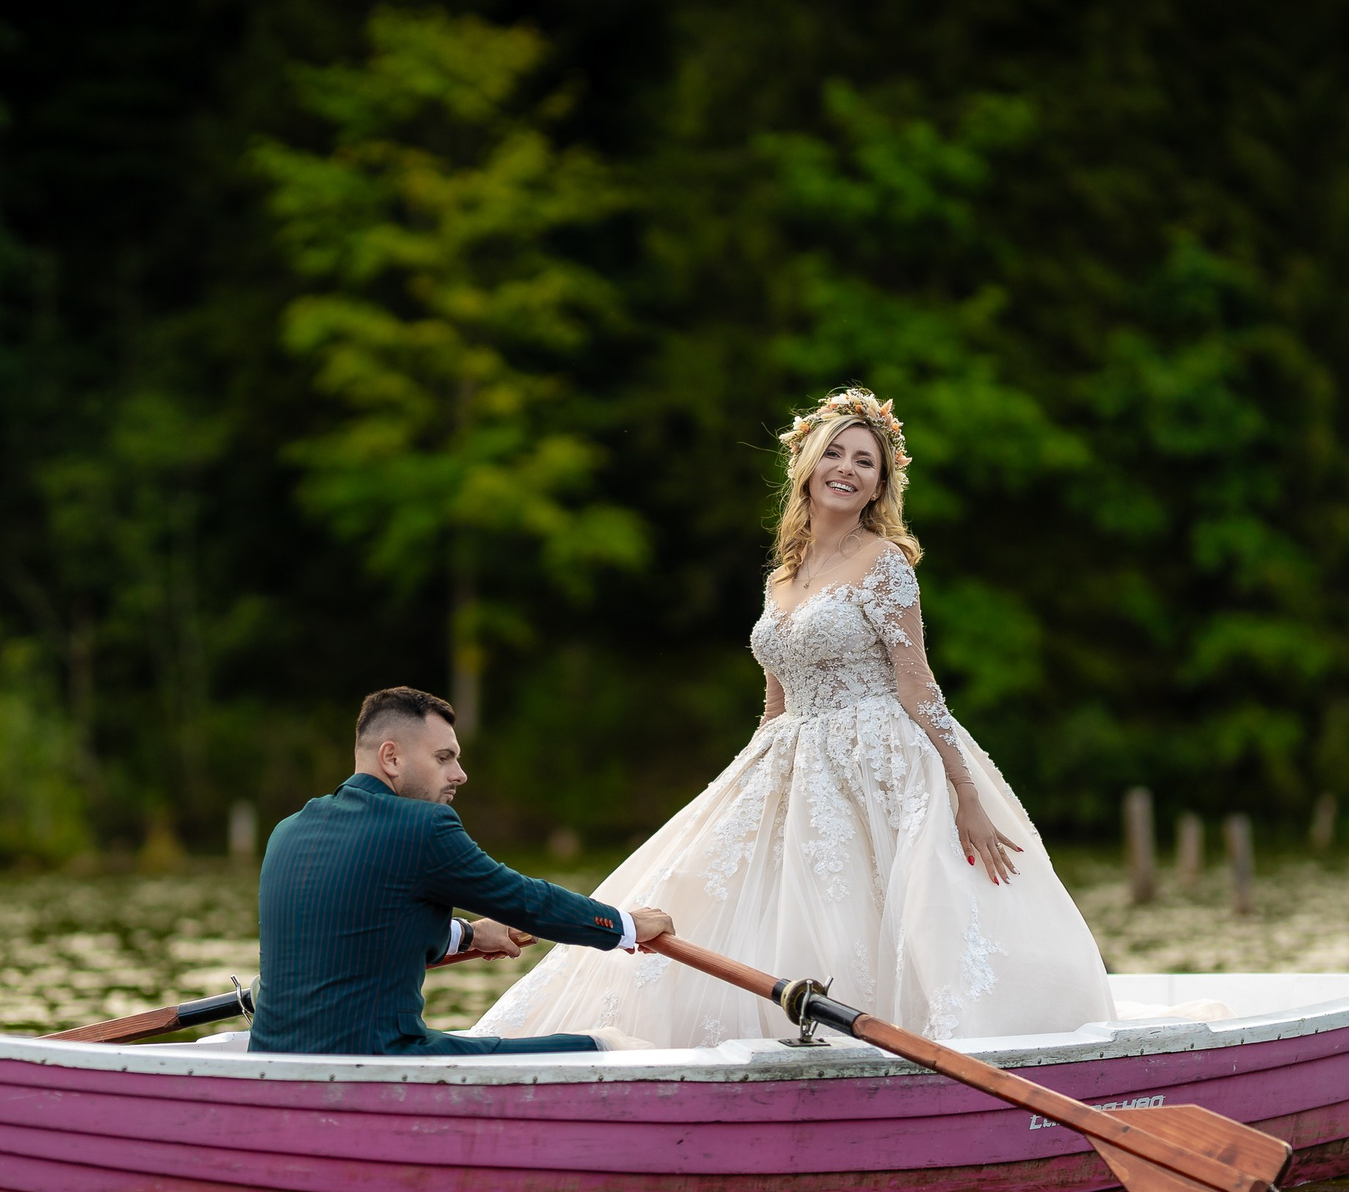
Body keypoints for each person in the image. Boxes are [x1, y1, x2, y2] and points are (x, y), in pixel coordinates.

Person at [472, 388, 1113, 1049]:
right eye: (833, 451)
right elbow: (776, 701)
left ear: (879, 486)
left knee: (881, 911)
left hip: (878, 755)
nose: (847, 467)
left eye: (865, 461)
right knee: (706, 882)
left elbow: (919, 687)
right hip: (790, 754)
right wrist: (742, 785)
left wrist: (966, 791)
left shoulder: (885, 565)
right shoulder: (782, 574)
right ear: (806, 463)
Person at [250, 686, 673, 1056]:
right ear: (391, 758)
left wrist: (468, 934)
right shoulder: (424, 827)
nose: (460, 774)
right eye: (443, 758)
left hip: (271, 1054)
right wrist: (626, 926)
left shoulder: (288, 830)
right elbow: (527, 902)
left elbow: (368, 919)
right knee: (608, 1047)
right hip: (380, 1056)